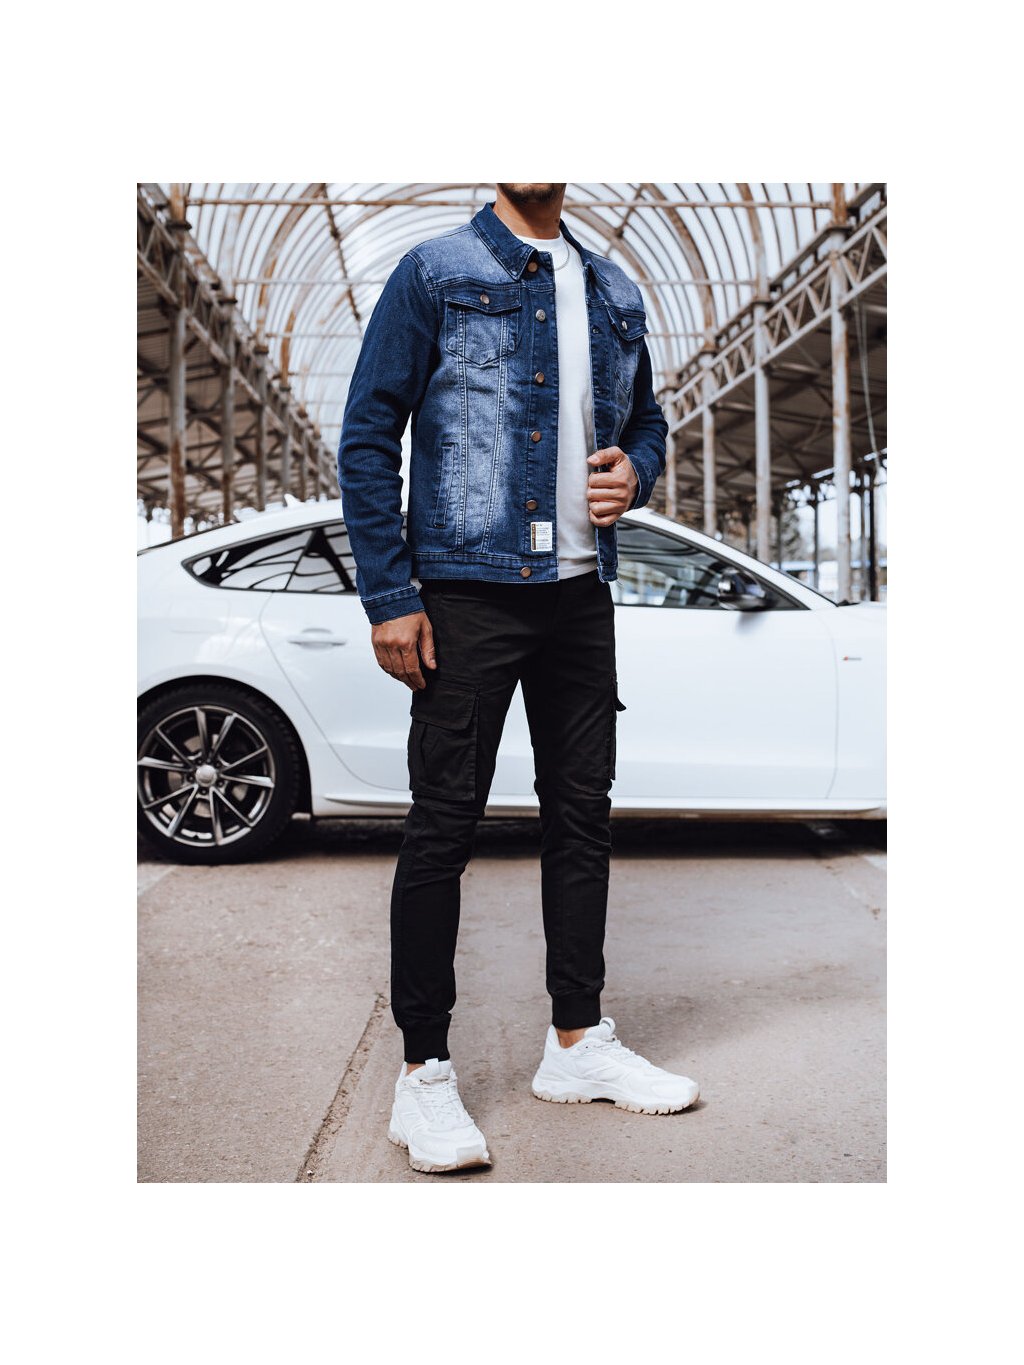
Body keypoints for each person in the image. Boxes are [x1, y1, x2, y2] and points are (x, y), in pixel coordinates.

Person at [337, 184, 699, 1175]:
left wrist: (638, 471)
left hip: (580, 595)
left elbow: (649, 422)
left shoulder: (615, 289)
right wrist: (389, 594)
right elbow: (368, 430)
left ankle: (576, 1043)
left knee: (582, 816)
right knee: (442, 825)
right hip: (466, 589)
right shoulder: (436, 272)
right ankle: (422, 1074)